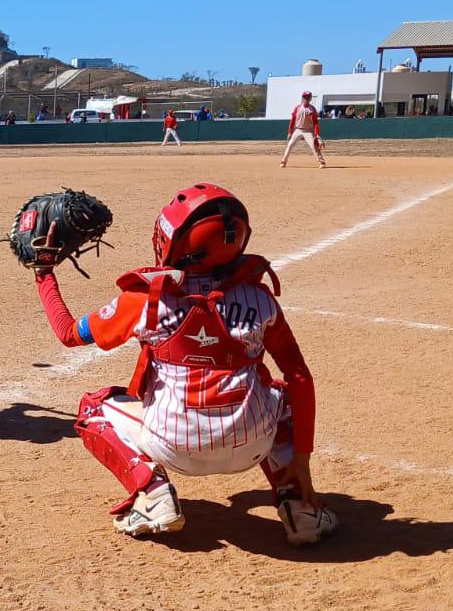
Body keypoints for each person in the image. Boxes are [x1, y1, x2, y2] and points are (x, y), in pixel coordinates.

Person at [31, 184, 337, 545]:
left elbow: (68, 333)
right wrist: (302, 458)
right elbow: (299, 376)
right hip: (253, 444)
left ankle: (153, 493)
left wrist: (44, 272)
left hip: (173, 446)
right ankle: (300, 507)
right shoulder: (260, 298)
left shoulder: (144, 299)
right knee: (284, 396)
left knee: (93, 407)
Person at [280, 89, 327, 168]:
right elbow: (292, 120)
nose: (306, 99)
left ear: (310, 99)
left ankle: (322, 162)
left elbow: (315, 123)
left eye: (308, 97)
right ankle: (283, 161)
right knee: (290, 145)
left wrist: (316, 134)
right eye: (305, 97)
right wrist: (290, 132)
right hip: (298, 130)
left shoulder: (312, 109)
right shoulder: (297, 108)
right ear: (302, 98)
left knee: (313, 146)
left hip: (308, 131)